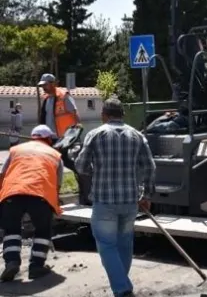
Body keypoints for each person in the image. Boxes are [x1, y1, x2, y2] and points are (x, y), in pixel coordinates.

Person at [75, 97, 156, 297]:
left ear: (104, 115)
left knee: (106, 244)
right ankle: (122, 282)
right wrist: (146, 194)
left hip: (105, 201)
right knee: (124, 243)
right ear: (123, 115)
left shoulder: (95, 134)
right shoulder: (137, 136)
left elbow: (81, 166)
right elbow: (150, 167)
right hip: (130, 201)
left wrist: (96, 168)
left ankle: (122, 288)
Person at [0, 124, 64, 281]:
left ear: (33, 136)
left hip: (12, 193)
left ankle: (12, 262)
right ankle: (36, 266)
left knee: (11, 230)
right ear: (49, 139)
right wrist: (54, 205)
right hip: (40, 195)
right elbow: (57, 185)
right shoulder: (55, 155)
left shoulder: (16, 150)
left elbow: (2, 174)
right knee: (43, 230)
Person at [37, 73, 80, 140]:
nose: (43, 87)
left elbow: (75, 113)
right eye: (42, 85)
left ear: (53, 84)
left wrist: (76, 133)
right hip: (50, 138)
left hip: (65, 138)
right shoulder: (46, 99)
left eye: (45, 85)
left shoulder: (64, 96)